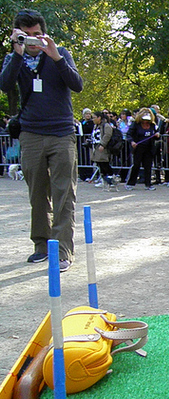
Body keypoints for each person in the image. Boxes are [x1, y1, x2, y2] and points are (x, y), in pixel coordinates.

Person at [0, 9, 83, 272]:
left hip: (61, 133)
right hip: (31, 134)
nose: (33, 41)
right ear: (17, 36)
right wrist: (17, 52)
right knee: (37, 194)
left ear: (44, 33)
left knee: (63, 194)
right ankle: (41, 245)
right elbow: (5, 85)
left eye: (37, 35)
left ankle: (62, 251)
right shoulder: (14, 58)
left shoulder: (60, 54)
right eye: (26, 36)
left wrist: (56, 56)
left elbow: (77, 84)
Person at [125, 107, 160, 190]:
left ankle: (148, 184)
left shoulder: (152, 125)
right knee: (136, 165)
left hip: (149, 148)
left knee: (148, 166)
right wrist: (132, 142)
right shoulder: (135, 124)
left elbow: (156, 134)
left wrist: (157, 135)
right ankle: (131, 183)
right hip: (138, 148)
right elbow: (129, 135)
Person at [90, 111, 115, 188]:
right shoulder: (96, 126)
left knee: (105, 164)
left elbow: (107, 135)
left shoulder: (106, 125)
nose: (93, 119)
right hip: (96, 147)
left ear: (99, 118)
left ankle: (111, 180)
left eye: (94, 117)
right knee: (100, 164)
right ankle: (103, 180)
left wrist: (103, 144)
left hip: (103, 148)